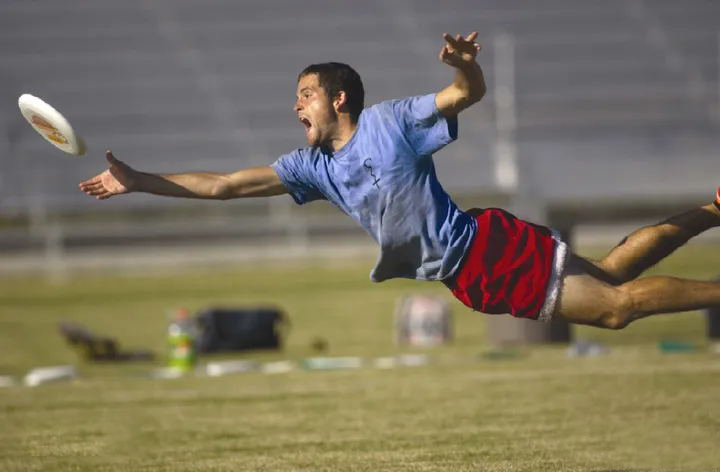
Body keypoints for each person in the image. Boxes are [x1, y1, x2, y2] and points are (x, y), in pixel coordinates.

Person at [79, 32, 720, 330]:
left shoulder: (389, 122)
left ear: (339, 99)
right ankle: (712, 212)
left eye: (305, 95)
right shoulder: (312, 168)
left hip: (484, 251)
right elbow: (222, 185)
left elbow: (465, 95)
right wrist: (138, 180)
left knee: (613, 308)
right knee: (609, 276)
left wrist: (466, 67)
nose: (296, 106)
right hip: (470, 272)